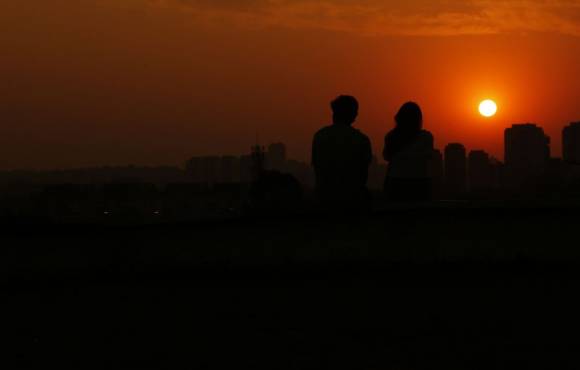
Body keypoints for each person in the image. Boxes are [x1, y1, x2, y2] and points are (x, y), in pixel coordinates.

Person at [312, 95, 372, 210]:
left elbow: (316, 167)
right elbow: (363, 175)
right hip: (352, 199)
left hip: (324, 197)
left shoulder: (320, 136)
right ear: (354, 115)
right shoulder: (361, 139)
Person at [383, 102, 434, 202]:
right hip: (419, 182)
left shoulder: (391, 136)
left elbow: (386, 156)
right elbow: (429, 157)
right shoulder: (426, 137)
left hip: (396, 182)